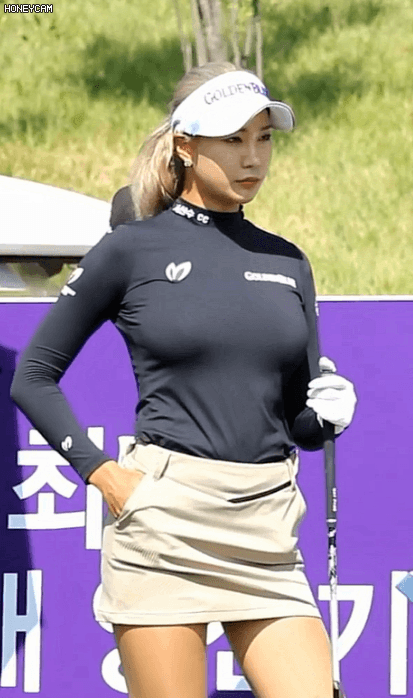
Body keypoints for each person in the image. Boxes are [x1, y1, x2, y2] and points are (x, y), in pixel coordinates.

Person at [11, 62, 357, 698]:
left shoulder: (288, 262)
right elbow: (33, 376)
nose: (253, 157)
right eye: (233, 139)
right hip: (164, 520)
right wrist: (107, 476)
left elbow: (300, 425)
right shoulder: (130, 250)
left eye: (264, 138)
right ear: (186, 145)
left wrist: (328, 413)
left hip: (267, 524)